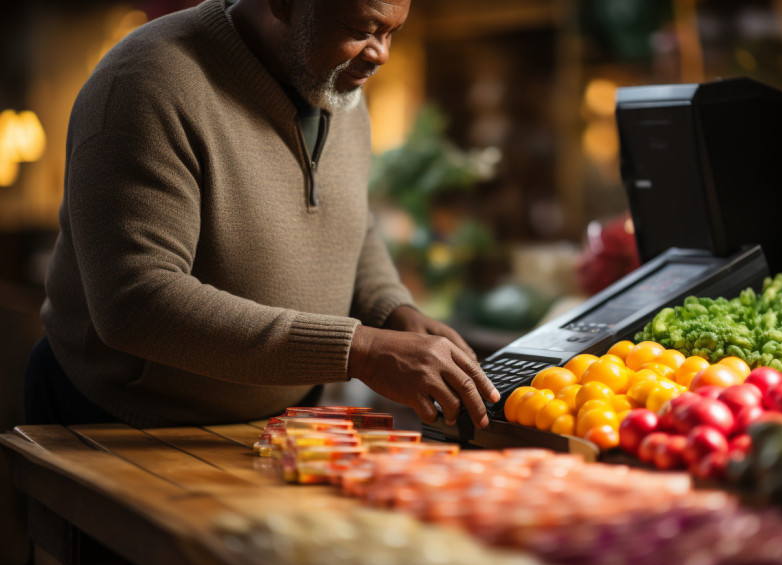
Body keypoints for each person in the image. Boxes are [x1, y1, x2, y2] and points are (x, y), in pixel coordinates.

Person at [23, 0, 499, 429]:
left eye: (392, 31)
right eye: (363, 27)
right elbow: (136, 302)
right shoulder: (149, 81)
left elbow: (350, 220)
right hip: (123, 423)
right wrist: (363, 352)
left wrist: (391, 310)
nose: (381, 54)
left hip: (269, 425)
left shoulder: (334, 79)